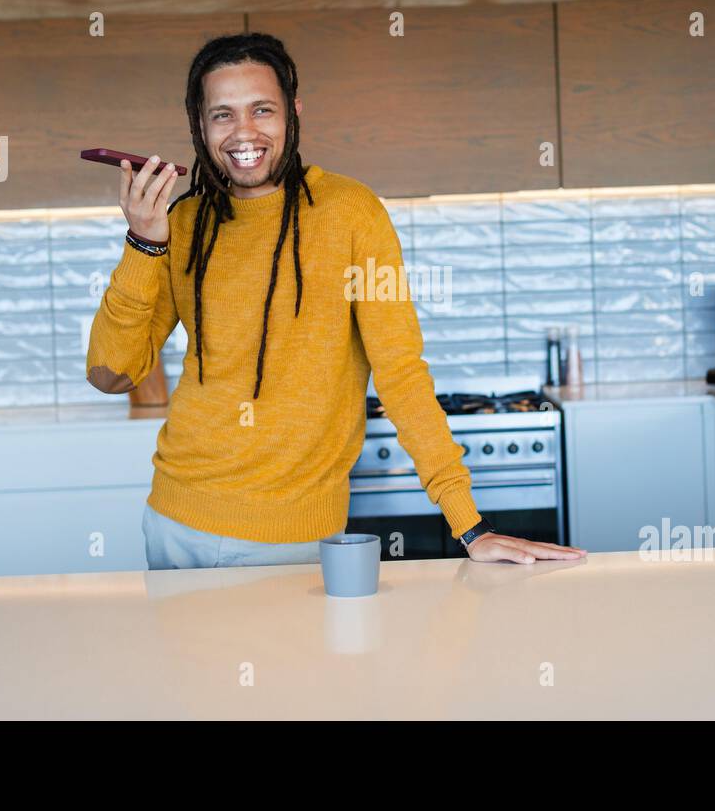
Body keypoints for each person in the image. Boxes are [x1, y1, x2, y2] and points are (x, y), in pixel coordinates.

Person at [86, 32, 586, 569]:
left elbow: (401, 373)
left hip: (293, 538)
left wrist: (471, 525)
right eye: (222, 115)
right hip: (174, 522)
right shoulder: (182, 225)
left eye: (262, 110)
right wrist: (143, 242)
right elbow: (111, 374)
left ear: (293, 114)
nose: (244, 132)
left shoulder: (353, 214)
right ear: (199, 125)